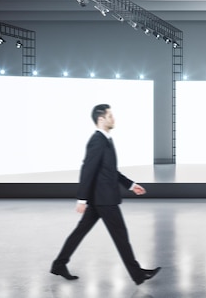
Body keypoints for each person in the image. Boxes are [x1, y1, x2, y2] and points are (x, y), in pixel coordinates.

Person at [50, 104, 160, 285]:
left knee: (80, 232)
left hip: (100, 198)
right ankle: (138, 275)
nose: (113, 118)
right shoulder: (97, 140)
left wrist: (131, 185)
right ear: (101, 119)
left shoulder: (106, 140)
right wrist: (81, 199)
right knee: (121, 236)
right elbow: (88, 170)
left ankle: (58, 265)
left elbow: (110, 171)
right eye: (110, 115)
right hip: (104, 200)